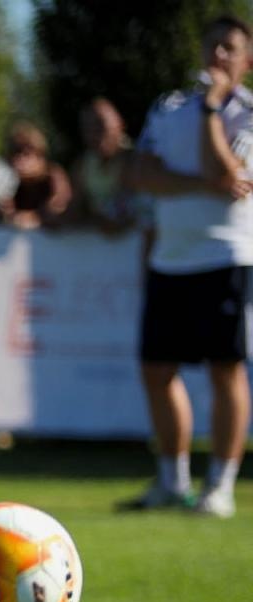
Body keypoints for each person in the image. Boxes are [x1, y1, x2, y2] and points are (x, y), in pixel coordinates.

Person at [123, 15, 253, 517]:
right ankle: (172, 482)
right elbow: (140, 173)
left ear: (246, 60)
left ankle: (219, 486)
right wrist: (201, 186)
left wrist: (213, 108)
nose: (219, 56)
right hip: (169, 261)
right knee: (157, 371)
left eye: (230, 48)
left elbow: (223, 167)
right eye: (213, 46)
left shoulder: (243, 111)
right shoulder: (168, 105)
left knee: (226, 370)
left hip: (225, 256)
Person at [0, 121, 71, 229]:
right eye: (15, 152)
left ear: (40, 154)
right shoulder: (6, 181)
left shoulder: (53, 176)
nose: (20, 159)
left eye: (27, 152)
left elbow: (60, 209)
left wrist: (30, 217)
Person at [71, 97, 142, 233]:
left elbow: (117, 220)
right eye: (87, 128)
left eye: (100, 124)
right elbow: (74, 210)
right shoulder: (81, 165)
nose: (94, 134)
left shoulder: (135, 160)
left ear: (120, 124)